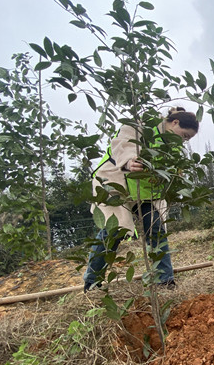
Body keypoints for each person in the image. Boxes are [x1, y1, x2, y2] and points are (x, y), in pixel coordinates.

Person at [83, 107, 199, 292]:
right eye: (184, 136)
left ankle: (164, 280)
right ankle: (92, 282)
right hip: (114, 181)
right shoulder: (144, 125)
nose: (183, 141)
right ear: (175, 122)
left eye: (187, 139)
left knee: (155, 227)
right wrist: (129, 161)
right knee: (114, 230)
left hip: (143, 191)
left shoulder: (173, 145)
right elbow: (123, 143)